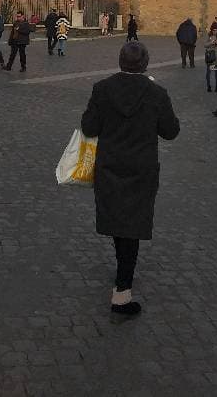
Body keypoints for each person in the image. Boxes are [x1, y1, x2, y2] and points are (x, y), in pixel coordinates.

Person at [81, 41, 180, 317]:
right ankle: (122, 293)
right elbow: (171, 131)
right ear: (145, 63)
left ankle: (122, 272)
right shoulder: (157, 93)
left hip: (110, 167)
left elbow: (89, 127)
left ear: (120, 61)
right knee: (131, 225)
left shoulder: (102, 89)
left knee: (119, 221)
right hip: (140, 169)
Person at [204, 28, 217, 93]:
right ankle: (208, 86)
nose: (214, 31)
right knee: (208, 73)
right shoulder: (209, 35)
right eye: (213, 30)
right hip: (210, 57)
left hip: (216, 58)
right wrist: (211, 43)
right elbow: (205, 45)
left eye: (216, 30)